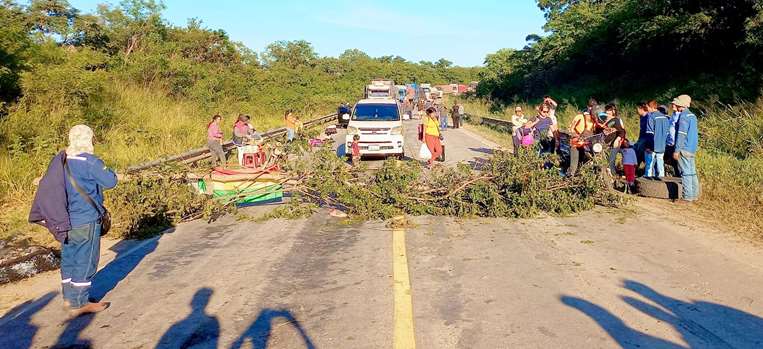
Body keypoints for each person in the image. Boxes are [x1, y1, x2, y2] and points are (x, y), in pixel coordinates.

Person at [61, 125, 118, 317]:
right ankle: (80, 303)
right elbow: (110, 181)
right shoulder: (90, 162)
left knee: (70, 258)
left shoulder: (62, 160)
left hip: (66, 218)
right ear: (88, 140)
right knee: (86, 261)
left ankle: (69, 297)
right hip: (86, 218)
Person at [672, 94, 700, 202]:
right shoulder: (692, 116)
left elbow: (681, 134)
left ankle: (687, 197)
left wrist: (676, 150)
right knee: (692, 172)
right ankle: (694, 195)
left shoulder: (683, 117)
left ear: (680, 104)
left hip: (684, 148)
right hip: (692, 148)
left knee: (685, 173)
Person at [600, 104, 627, 176]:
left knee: (611, 160)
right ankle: (613, 174)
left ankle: (614, 174)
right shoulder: (605, 120)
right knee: (608, 159)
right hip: (607, 144)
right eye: (607, 110)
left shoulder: (615, 120)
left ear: (613, 111)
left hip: (615, 142)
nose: (608, 112)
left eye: (610, 110)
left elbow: (622, 131)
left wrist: (618, 139)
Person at [566, 110, 595, 177]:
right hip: (576, 142)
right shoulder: (579, 117)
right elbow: (570, 129)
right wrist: (575, 135)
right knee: (575, 157)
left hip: (587, 144)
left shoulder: (594, 121)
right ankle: (571, 173)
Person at [646, 100, 670, 178]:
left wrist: (648, 147)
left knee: (649, 165)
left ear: (652, 107)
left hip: (653, 145)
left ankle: (648, 181)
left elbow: (650, 133)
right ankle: (661, 180)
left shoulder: (651, 117)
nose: (647, 109)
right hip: (662, 145)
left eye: (647, 107)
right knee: (660, 163)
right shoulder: (665, 118)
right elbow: (667, 133)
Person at [634, 102, 653, 173]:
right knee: (635, 148)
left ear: (641, 109)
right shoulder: (642, 117)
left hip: (647, 138)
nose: (636, 111)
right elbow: (641, 130)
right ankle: (635, 169)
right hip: (642, 138)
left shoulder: (648, 116)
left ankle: (636, 170)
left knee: (640, 150)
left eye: (637, 109)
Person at [664, 104, 681, 175]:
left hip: (675, 143)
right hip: (669, 143)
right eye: (673, 104)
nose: (673, 105)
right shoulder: (673, 115)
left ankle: (680, 178)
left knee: (677, 164)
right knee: (672, 162)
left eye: (675, 104)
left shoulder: (680, 116)